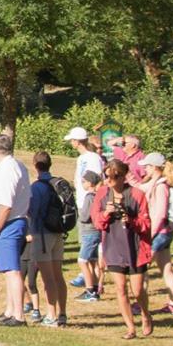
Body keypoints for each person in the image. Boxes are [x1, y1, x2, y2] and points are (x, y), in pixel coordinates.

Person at [92, 160, 152, 339]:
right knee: (120, 288)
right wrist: (106, 213)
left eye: (113, 177)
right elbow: (96, 221)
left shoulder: (136, 194)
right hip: (113, 246)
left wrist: (131, 220)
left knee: (138, 290)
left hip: (135, 247)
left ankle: (145, 314)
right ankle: (130, 327)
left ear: (122, 176)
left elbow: (146, 224)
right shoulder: (102, 193)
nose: (109, 180)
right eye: (106, 176)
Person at [0, 131, 31, 326]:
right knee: (7, 270)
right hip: (11, 222)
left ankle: (19, 314)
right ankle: (10, 310)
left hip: (9, 224)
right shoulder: (13, 165)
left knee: (12, 271)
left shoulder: (8, 169)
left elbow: (6, 204)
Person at [135, 153, 173, 319]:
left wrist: (149, 234)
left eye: (147, 166)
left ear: (154, 167)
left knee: (142, 269)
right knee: (167, 268)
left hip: (158, 233)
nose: (145, 169)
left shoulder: (161, 187)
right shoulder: (158, 183)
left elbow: (160, 214)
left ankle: (141, 304)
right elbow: (141, 188)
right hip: (165, 233)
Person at [25, 152, 68, 327]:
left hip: (42, 234)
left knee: (47, 278)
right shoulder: (57, 183)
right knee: (58, 275)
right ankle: (62, 313)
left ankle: (51, 315)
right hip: (58, 232)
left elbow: (32, 211)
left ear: (35, 165)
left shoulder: (37, 187)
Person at [66, 126, 105, 299]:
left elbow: (97, 179)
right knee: (89, 252)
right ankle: (93, 286)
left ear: (77, 141)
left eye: (72, 140)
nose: (71, 143)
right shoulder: (82, 158)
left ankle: (92, 288)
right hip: (82, 202)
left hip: (89, 204)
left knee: (88, 250)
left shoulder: (92, 158)